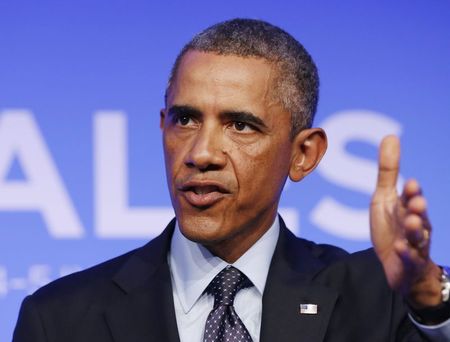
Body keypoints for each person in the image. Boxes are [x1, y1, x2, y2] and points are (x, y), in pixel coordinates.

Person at [13, 18, 450, 341]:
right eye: (184, 119)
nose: (200, 153)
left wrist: (431, 296)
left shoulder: (381, 302)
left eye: (240, 125)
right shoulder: (59, 319)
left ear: (303, 154)